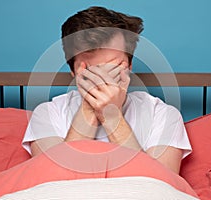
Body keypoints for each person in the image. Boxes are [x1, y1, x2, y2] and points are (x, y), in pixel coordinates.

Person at [22, 6, 191, 174]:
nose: (102, 77)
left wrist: (112, 116)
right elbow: (49, 184)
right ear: (73, 71)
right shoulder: (47, 114)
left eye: (113, 67)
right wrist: (89, 109)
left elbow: (161, 187)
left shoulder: (162, 115)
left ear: (129, 66)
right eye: (91, 70)